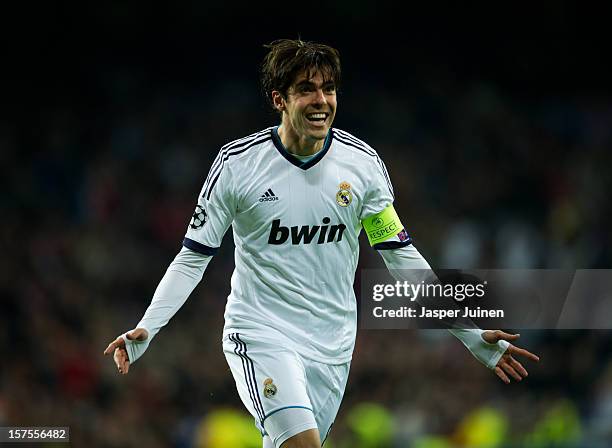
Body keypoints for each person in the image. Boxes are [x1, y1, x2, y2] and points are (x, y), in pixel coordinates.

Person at [104, 39, 539, 448]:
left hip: (333, 346)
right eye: (306, 90)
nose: (321, 101)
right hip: (261, 332)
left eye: (329, 89)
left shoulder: (362, 167)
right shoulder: (237, 167)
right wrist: (149, 326)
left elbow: (402, 258)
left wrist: (470, 333)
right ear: (280, 99)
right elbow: (192, 258)